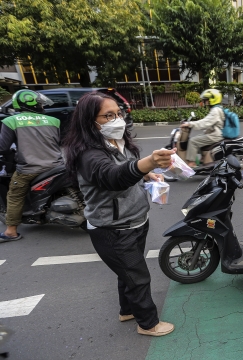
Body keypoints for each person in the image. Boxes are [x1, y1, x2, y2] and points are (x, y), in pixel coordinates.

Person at [63, 92, 176, 337]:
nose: (117, 120)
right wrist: (148, 163)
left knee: (126, 274)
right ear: (89, 121)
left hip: (136, 221)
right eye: (108, 115)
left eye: (118, 113)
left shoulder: (119, 142)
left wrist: (149, 175)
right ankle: (148, 324)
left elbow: (129, 168)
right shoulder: (88, 154)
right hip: (112, 229)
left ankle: (127, 310)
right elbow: (113, 177)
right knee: (137, 277)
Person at [0, 90, 64, 242]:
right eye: (41, 103)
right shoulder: (54, 121)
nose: (42, 106)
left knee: (14, 195)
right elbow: (58, 142)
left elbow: (3, 147)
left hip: (30, 169)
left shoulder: (11, 121)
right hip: (57, 165)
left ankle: (11, 232)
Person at [180, 89, 224, 168]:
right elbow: (207, 122)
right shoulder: (217, 109)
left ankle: (191, 163)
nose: (205, 102)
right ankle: (204, 158)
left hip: (216, 135)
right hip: (215, 133)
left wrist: (190, 124)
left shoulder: (215, 111)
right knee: (198, 138)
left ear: (212, 99)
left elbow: (205, 123)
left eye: (206, 100)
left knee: (193, 141)